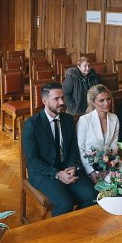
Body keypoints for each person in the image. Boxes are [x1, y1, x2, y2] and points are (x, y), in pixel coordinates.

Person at [22, 82, 97, 216]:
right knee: (65, 204)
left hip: (67, 168)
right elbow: (32, 160)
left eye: (62, 98)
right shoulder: (32, 124)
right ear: (45, 101)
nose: (61, 102)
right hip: (43, 173)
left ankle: (75, 226)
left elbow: (74, 149)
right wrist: (57, 174)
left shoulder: (67, 120)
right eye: (56, 99)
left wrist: (73, 166)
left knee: (92, 196)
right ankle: (56, 234)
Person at [76, 84, 119, 180]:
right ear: (93, 103)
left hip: (109, 162)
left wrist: (113, 161)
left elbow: (114, 145)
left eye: (108, 99)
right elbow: (80, 149)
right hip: (90, 165)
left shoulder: (114, 118)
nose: (107, 103)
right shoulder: (84, 120)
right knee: (112, 184)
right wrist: (90, 171)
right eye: (101, 100)